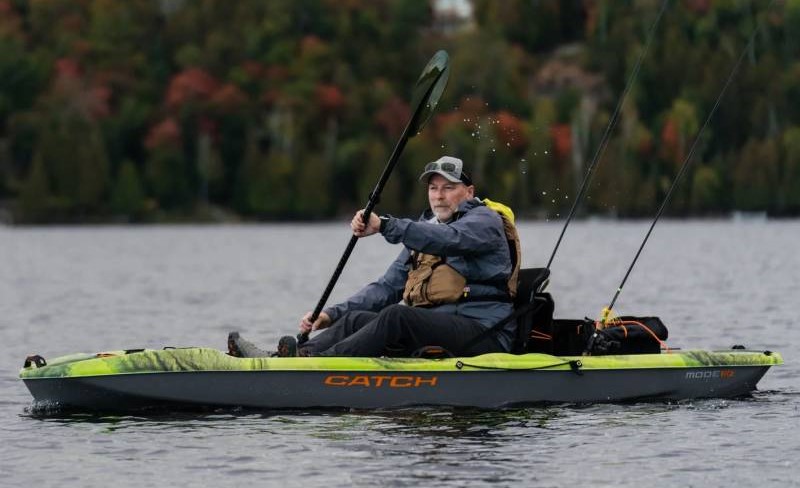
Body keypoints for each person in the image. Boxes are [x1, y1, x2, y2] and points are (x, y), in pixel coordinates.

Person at [228, 155, 519, 358]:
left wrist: (386, 225)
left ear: (468, 192)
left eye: (449, 188)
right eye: (433, 188)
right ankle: (296, 357)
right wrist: (331, 314)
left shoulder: (484, 221)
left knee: (397, 316)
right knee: (356, 320)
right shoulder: (426, 231)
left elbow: (451, 240)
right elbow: (386, 287)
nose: (439, 196)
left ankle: (320, 364)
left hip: (484, 333)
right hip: (439, 326)